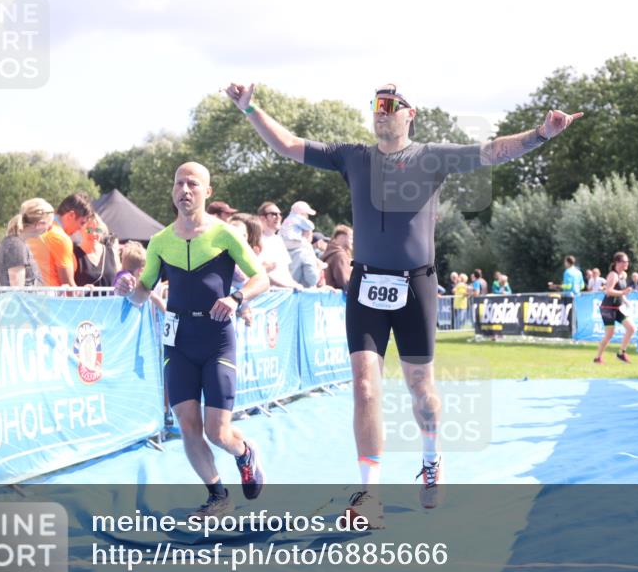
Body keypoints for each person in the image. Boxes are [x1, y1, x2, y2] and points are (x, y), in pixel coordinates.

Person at [226, 79, 581, 523]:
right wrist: (250, 109)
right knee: (365, 385)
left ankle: (432, 459)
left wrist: (541, 134)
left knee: (421, 390)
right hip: (366, 286)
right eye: (376, 103)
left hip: (416, 287)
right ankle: (368, 494)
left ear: (409, 114)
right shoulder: (353, 156)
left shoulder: (431, 156)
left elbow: (493, 151)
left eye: (391, 104)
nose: (381, 110)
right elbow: (290, 144)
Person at [115, 162, 270, 517]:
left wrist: (235, 299)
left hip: (217, 339)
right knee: (187, 425)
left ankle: (244, 452)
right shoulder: (159, 241)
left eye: (193, 184)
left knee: (218, 432)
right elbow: (141, 295)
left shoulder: (225, 234)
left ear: (207, 192)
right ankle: (218, 496)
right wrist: (127, 287)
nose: (185, 190)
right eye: (179, 183)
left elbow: (260, 278)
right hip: (178, 339)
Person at [29, 193, 92, 288]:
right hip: (53, 300)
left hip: (32, 297)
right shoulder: (60, 238)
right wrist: (85, 292)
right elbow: (69, 289)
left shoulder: (37, 228)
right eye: (82, 223)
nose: (81, 228)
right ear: (71, 215)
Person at [0, 198, 53, 287]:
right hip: (23, 301)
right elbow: (17, 290)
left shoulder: (19, 243)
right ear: (40, 224)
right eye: (49, 226)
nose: (48, 230)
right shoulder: (15, 246)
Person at [594, 252, 635, 364]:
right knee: (609, 334)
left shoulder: (624, 275)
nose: (627, 263)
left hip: (616, 308)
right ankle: (598, 358)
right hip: (607, 308)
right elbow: (608, 291)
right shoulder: (613, 275)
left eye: (627, 261)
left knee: (631, 329)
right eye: (624, 261)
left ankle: (621, 353)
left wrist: (625, 301)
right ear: (617, 262)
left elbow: (620, 293)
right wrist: (624, 292)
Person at [256, 201, 303, 290]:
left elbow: (285, 272)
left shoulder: (278, 240)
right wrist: (286, 286)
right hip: (267, 295)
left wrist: (295, 285)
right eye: (274, 214)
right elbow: (258, 274)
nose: (278, 217)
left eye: (279, 214)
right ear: (262, 218)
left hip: (284, 294)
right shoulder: (256, 241)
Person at [73, 213, 120, 288]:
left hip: (110, 299)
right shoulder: (74, 255)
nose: (94, 234)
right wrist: (81, 291)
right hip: (85, 299)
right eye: (89, 230)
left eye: (98, 230)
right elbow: (69, 286)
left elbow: (119, 278)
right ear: (81, 230)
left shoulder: (112, 253)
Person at [320, 224, 353, 290]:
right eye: (351, 238)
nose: (352, 241)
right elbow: (344, 281)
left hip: (330, 295)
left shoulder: (330, 252)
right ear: (343, 238)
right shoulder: (340, 255)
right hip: (338, 297)